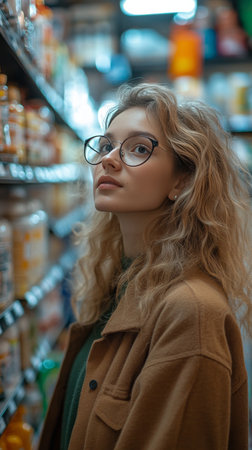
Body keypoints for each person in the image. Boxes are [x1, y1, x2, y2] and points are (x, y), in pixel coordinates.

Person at [38, 83, 252, 450]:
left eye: (139, 148)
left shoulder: (191, 313)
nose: (109, 159)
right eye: (106, 145)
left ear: (182, 180)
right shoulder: (118, 283)